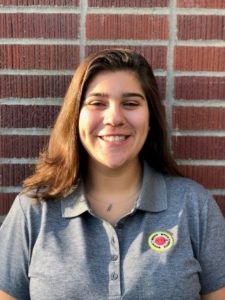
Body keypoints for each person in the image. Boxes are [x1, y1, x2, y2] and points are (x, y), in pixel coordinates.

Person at [0, 49, 225, 300]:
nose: (114, 117)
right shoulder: (34, 211)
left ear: (150, 118)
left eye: (130, 103)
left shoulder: (193, 206)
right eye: (97, 103)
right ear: (76, 117)